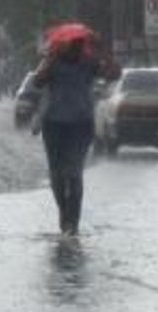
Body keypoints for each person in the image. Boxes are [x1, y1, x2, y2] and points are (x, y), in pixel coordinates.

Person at [33, 33, 120, 237]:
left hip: (81, 125)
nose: (77, 49)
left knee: (74, 173)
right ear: (64, 46)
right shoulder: (52, 62)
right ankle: (64, 211)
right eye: (73, 46)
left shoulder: (89, 63)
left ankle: (73, 223)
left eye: (80, 46)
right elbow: (37, 81)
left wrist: (104, 53)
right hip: (53, 124)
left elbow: (114, 75)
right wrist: (48, 60)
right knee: (56, 174)